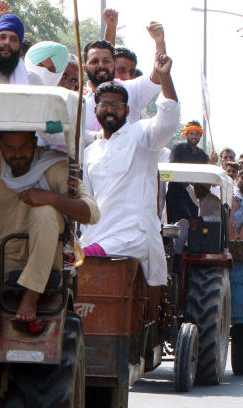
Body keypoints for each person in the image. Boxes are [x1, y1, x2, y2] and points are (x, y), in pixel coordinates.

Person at [0, 131, 99, 382]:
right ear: (0, 146)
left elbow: (91, 213)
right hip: (4, 251)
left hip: (47, 254)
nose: (16, 154)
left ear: (34, 143)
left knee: (44, 212)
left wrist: (51, 198)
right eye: (9, 148)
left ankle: (31, 296)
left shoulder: (55, 166)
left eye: (23, 147)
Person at [82, 53, 179, 287]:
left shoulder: (141, 135)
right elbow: (87, 201)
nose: (110, 110)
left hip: (132, 237)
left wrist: (165, 77)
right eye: (105, 104)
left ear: (126, 111)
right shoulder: (90, 151)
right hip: (95, 236)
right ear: (96, 110)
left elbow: (168, 120)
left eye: (117, 105)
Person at [82, 29, 164, 133]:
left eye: (106, 61)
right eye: (94, 61)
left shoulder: (130, 90)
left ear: (114, 65)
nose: (101, 65)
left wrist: (159, 42)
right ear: (85, 69)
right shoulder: (78, 100)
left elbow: (157, 76)